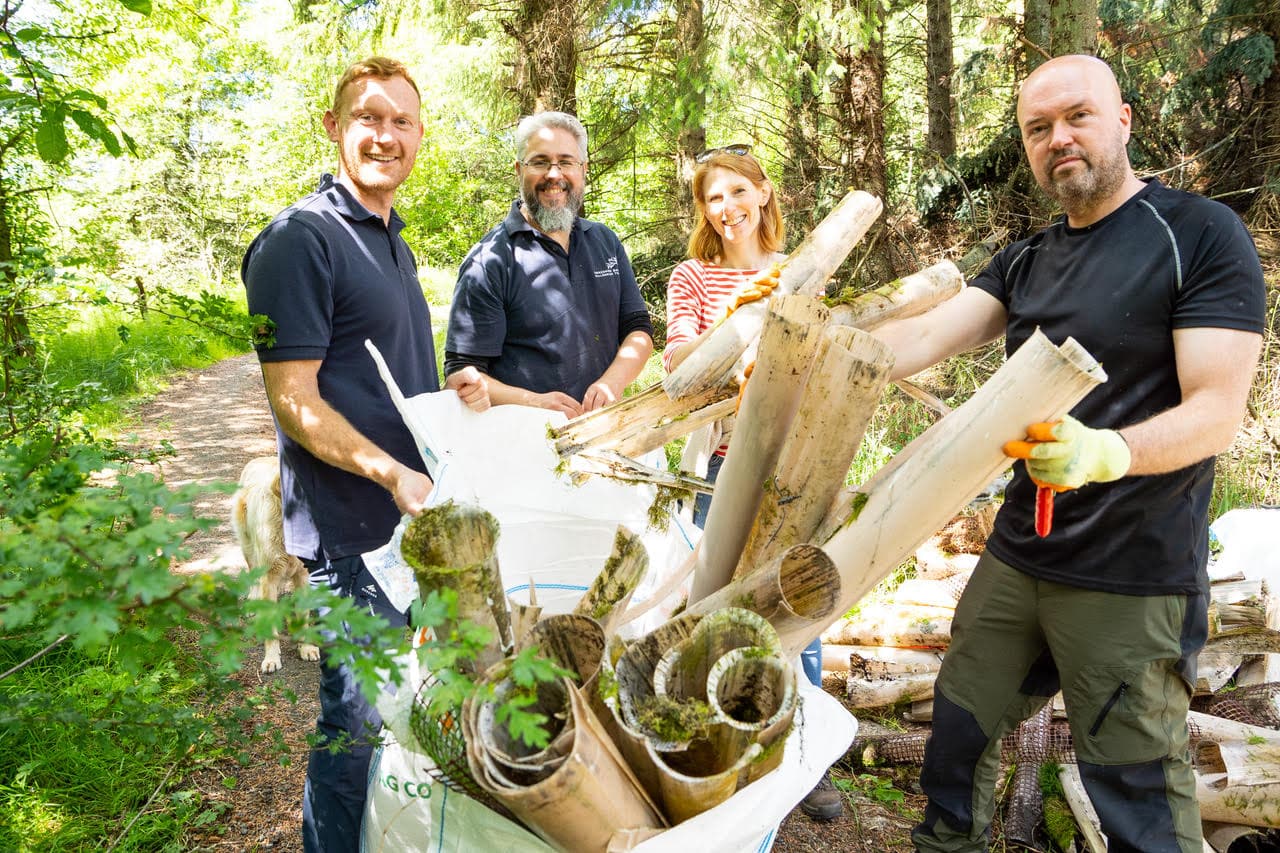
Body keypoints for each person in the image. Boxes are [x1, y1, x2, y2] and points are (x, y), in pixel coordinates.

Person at [869, 55, 1266, 852]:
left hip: (1132, 574)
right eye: (1038, 128)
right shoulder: (1027, 258)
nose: (1059, 139)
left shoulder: (1198, 235)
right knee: (957, 737)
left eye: (1077, 116)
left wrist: (1104, 453)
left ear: (1122, 118)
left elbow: (1218, 411)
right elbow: (917, 337)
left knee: (1135, 793)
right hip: (1022, 554)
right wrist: (801, 346)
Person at [240, 56, 486, 853]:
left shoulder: (391, 240)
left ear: (419, 135)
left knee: (402, 706)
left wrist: (457, 406)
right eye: (368, 118)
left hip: (406, 519)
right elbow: (295, 399)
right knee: (354, 715)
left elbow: (387, 384)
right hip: (352, 529)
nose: (386, 135)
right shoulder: (297, 240)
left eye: (401, 122)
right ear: (334, 128)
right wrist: (388, 470)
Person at [662, 145, 843, 822]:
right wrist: (737, 315)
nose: (729, 208)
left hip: (794, 460)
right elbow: (679, 354)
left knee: (799, 604)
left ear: (766, 193)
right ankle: (709, 744)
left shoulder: (801, 273)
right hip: (720, 462)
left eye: (740, 191)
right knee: (711, 597)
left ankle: (804, 755)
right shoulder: (693, 276)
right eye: (714, 197)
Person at [444, 111, 653, 416]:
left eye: (566, 162)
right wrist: (536, 404)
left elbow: (638, 330)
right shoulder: (489, 260)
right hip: (521, 445)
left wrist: (611, 383)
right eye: (540, 162)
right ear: (519, 170)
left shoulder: (605, 241)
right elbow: (461, 377)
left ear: (583, 169)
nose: (554, 175)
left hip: (601, 434)